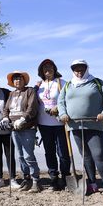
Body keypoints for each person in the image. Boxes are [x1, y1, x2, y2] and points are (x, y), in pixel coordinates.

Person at [58, 59, 103, 201]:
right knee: (85, 156)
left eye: (81, 68)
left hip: (94, 125)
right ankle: (92, 184)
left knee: (99, 155)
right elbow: (61, 102)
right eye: (75, 69)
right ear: (72, 70)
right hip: (75, 125)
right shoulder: (68, 85)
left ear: (86, 69)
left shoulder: (96, 82)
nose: (78, 71)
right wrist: (63, 114)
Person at [2, 71, 42, 192]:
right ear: (12, 82)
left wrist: (23, 119)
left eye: (19, 78)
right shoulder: (11, 94)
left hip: (27, 128)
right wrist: (5, 118)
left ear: (24, 80)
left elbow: (32, 108)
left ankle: (36, 180)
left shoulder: (30, 91)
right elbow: (6, 108)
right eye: (15, 79)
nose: (17, 81)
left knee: (28, 155)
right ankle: (27, 179)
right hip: (14, 128)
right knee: (20, 156)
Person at [35, 59, 70, 191]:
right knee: (49, 152)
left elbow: (69, 101)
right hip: (44, 124)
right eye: (44, 68)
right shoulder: (39, 85)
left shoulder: (62, 83)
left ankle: (66, 176)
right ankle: (53, 177)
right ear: (41, 71)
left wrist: (59, 108)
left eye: (50, 67)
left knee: (63, 152)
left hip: (60, 123)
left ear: (54, 69)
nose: (47, 69)